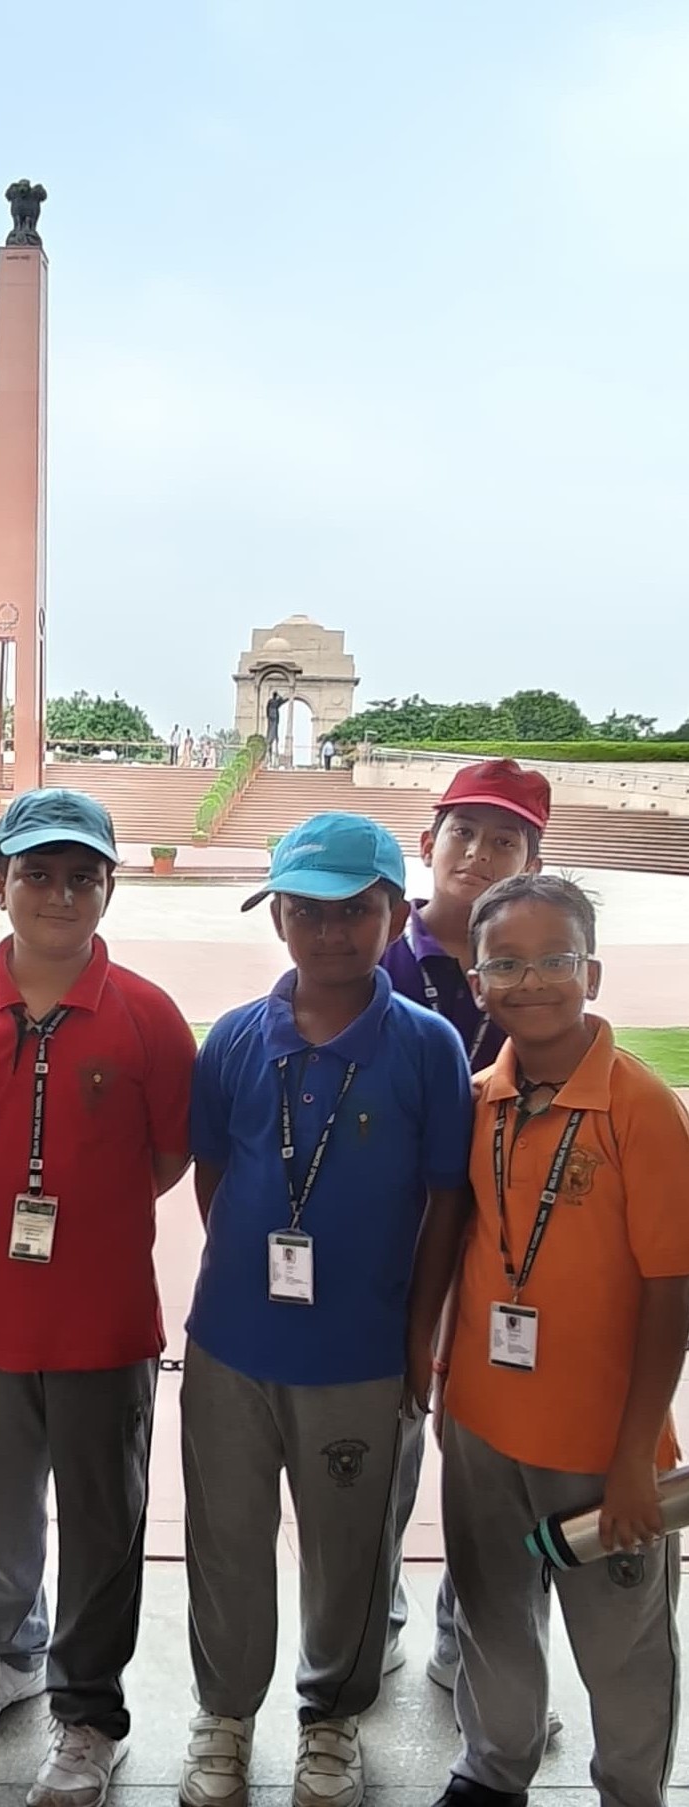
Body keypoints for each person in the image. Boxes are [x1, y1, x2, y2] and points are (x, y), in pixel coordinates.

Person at [178, 814, 473, 1807]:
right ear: (278, 919)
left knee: (347, 1547)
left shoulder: (427, 1047)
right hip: (231, 1342)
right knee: (225, 1537)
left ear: (395, 914)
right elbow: (216, 1181)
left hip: (359, 1350)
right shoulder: (231, 1038)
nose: (330, 930)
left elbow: (444, 1203)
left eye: (356, 910)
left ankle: (329, 1716)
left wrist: (417, 1335)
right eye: (306, 909)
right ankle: (222, 1713)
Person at [0, 788, 197, 1807]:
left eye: (83, 873)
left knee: (102, 1519)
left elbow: (166, 1155)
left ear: (109, 888)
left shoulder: (151, 1016)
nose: (59, 891)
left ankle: (89, 1713)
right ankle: (6, 1651)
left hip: (101, 1315)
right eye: (37, 870)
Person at [430, 873, 689, 1807]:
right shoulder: (477, 1100)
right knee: (494, 1614)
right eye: (506, 962)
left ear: (593, 971)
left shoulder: (640, 1108)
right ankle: (493, 1768)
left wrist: (634, 1457)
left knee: (621, 1641)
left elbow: (672, 1289)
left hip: (600, 1443)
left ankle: (630, 1788)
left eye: (554, 961)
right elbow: (465, 1249)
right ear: (476, 977)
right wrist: (445, 1378)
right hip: (483, 1424)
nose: (530, 981)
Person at [380, 759, 552, 1686]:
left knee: (489, 1457)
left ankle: (470, 1634)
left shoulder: (535, 979)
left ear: (532, 860)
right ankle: (377, 1618)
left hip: (503, 1259)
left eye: (505, 840)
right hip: (389, 1251)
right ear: (428, 842)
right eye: (465, 833)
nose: (479, 855)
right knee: (385, 1444)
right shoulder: (367, 955)